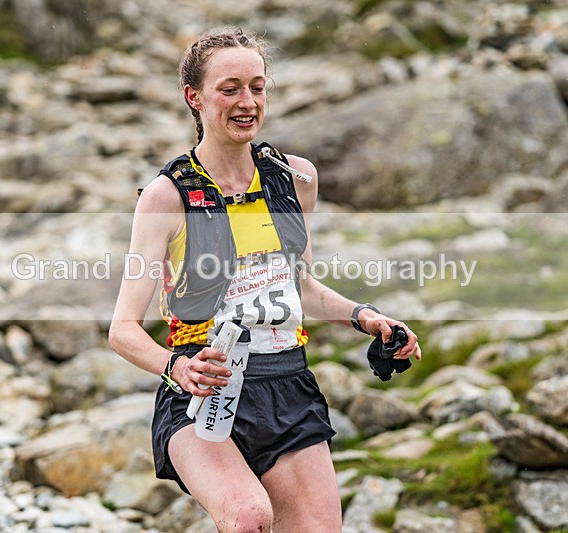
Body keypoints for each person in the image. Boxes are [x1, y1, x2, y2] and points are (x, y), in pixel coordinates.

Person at [108, 27, 422, 532]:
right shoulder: (166, 197)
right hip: (204, 393)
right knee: (249, 516)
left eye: (257, 87)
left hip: (287, 384)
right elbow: (122, 329)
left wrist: (367, 318)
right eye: (229, 88)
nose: (246, 102)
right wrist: (176, 367)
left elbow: (304, 289)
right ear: (195, 98)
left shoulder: (295, 179)